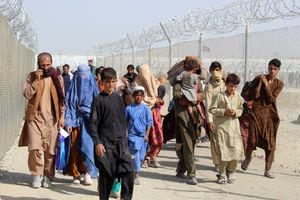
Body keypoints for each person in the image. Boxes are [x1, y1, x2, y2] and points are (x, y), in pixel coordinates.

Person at [18, 52, 65, 188]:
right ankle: (36, 174)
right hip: (35, 119)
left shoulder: (57, 77)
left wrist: (62, 116)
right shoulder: (31, 77)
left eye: (48, 65)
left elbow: (62, 99)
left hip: (52, 120)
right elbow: (27, 94)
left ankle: (48, 175)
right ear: (38, 64)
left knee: (50, 151)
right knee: (34, 148)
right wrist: (35, 81)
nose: (46, 68)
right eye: (43, 65)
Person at [89, 67, 134, 200]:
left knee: (128, 172)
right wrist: (97, 143)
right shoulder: (98, 100)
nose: (110, 85)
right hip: (105, 145)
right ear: (102, 82)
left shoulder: (119, 99)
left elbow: (124, 118)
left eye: (113, 81)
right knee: (106, 177)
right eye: (108, 81)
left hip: (121, 144)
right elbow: (93, 123)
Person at [241, 58, 284, 178]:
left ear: (278, 70)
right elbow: (255, 95)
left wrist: (266, 84)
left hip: (270, 116)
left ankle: (267, 170)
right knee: (252, 140)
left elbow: (271, 99)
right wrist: (260, 82)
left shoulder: (279, 84)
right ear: (268, 67)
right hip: (256, 113)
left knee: (270, 143)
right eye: (270, 68)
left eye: (275, 69)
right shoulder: (260, 78)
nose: (272, 71)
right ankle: (248, 158)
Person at [64, 64, 99, 185]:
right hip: (74, 121)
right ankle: (75, 174)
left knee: (88, 147)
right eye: (80, 75)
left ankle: (88, 172)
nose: (83, 78)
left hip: (89, 122)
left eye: (85, 75)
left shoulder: (94, 89)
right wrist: (68, 121)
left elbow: (98, 106)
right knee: (74, 148)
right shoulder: (71, 88)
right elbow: (68, 104)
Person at [173, 56, 206, 185]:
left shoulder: (197, 81)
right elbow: (177, 96)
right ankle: (192, 174)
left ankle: (180, 169)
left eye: (192, 71)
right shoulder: (179, 80)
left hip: (195, 117)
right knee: (187, 144)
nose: (191, 73)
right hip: (183, 117)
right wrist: (189, 98)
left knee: (191, 143)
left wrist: (195, 97)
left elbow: (202, 94)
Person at [209, 73, 244, 184]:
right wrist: (224, 112)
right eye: (231, 86)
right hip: (222, 128)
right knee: (223, 152)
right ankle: (221, 174)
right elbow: (212, 109)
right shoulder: (219, 96)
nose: (232, 88)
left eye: (235, 86)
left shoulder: (238, 97)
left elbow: (241, 110)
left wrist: (235, 113)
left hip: (234, 128)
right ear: (226, 84)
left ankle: (231, 172)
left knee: (235, 151)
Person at [135, 64, 162, 168]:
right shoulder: (136, 84)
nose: (145, 76)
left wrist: (157, 101)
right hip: (141, 115)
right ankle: (144, 158)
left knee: (157, 137)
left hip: (154, 114)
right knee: (145, 137)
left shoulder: (155, 83)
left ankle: (153, 157)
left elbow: (159, 98)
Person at [126, 86, 153, 185]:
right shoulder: (128, 108)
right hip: (132, 136)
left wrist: (147, 135)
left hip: (142, 137)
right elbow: (125, 122)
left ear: (143, 97)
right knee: (135, 155)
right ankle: (136, 174)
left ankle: (135, 169)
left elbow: (149, 123)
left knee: (141, 156)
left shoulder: (146, 109)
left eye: (141, 96)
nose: (138, 98)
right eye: (136, 95)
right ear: (133, 96)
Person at [204, 61, 226, 171]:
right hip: (214, 116)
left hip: (225, 116)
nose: (215, 72)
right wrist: (209, 121)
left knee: (225, 140)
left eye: (217, 70)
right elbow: (207, 104)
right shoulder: (209, 86)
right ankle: (217, 163)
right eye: (213, 70)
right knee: (215, 141)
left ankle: (225, 162)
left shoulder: (225, 83)